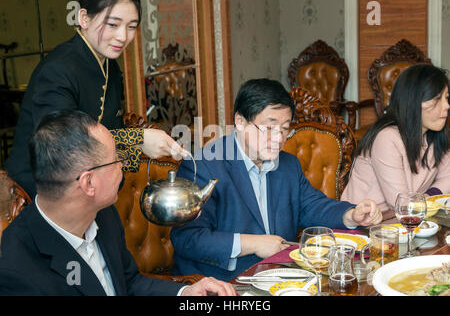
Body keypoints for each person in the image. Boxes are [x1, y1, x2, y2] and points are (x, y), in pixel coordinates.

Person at [0, 109, 235, 296]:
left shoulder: (104, 215)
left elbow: (129, 283)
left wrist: (185, 292)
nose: (123, 166)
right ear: (88, 183)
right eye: (116, 159)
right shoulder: (18, 268)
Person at [170, 78, 383, 281]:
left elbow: (312, 206)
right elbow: (188, 239)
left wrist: (351, 215)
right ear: (240, 122)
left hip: (283, 274)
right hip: (225, 282)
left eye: (284, 129)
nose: (279, 139)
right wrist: (252, 244)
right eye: (269, 128)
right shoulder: (203, 166)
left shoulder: (288, 164)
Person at [5, 0, 186, 198]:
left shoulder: (110, 67)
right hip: (43, 194)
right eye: (113, 24)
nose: (122, 36)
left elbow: (109, 136)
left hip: (89, 188)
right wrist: (139, 138)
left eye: (131, 27)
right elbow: (63, 145)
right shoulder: (58, 70)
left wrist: (147, 152)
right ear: (84, 18)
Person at [341, 64, 450, 212]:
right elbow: (399, 203)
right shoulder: (387, 138)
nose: (447, 106)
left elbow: (448, 177)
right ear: (413, 101)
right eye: (437, 99)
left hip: (404, 222)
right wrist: (423, 202)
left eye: (447, 98)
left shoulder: (434, 135)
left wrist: (424, 198)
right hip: (364, 226)